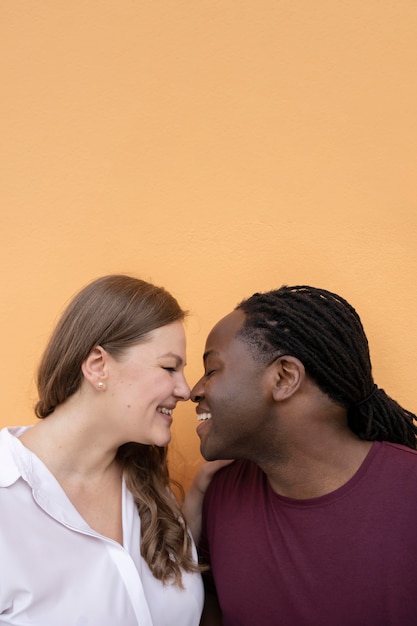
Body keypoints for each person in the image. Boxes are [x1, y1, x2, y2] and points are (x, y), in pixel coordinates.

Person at [190, 285, 417, 626]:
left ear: (284, 378)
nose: (194, 391)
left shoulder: (409, 494)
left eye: (212, 370)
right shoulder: (220, 494)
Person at [0, 274, 204, 626]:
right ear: (98, 366)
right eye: (169, 367)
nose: (185, 390)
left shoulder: (151, 490)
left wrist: (200, 493)